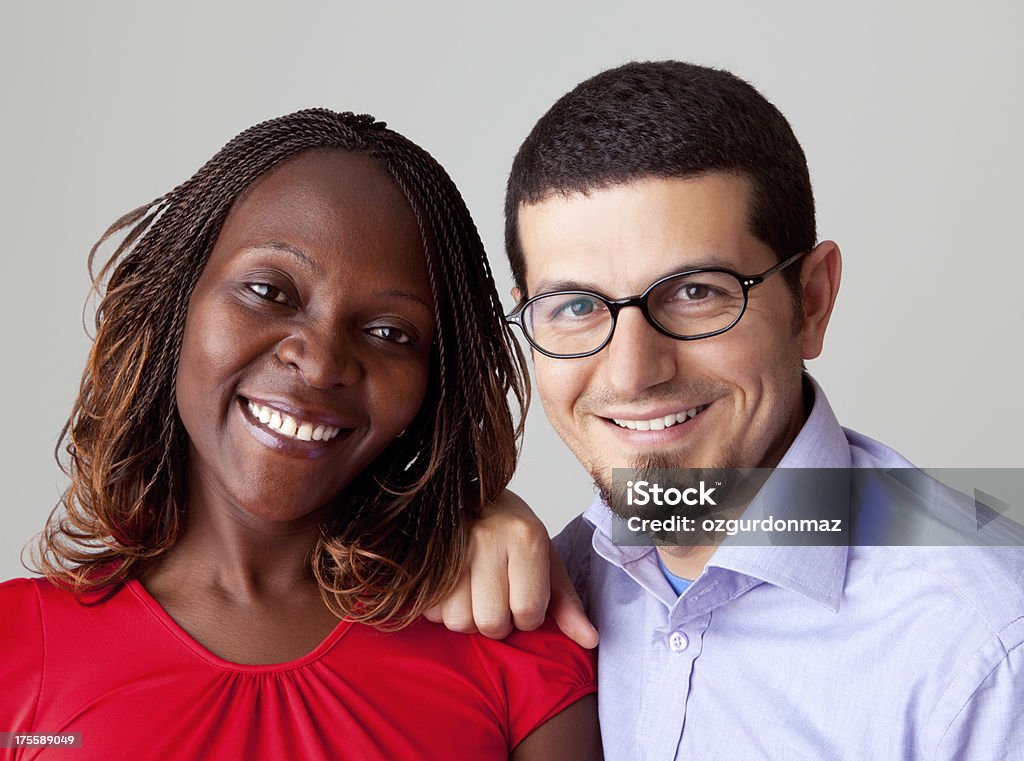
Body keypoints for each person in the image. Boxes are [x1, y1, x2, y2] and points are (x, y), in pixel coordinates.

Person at [426, 61, 1024, 759]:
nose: (633, 371)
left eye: (695, 292)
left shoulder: (987, 652)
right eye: (577, 307)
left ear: (814, 300)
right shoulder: (540, 591)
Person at [0, 109, 600, 760]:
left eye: (390, 333)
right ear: (178, 300)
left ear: (432, 383)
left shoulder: (508, 641)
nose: (320, 363)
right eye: (269, 290)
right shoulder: (18, 648)